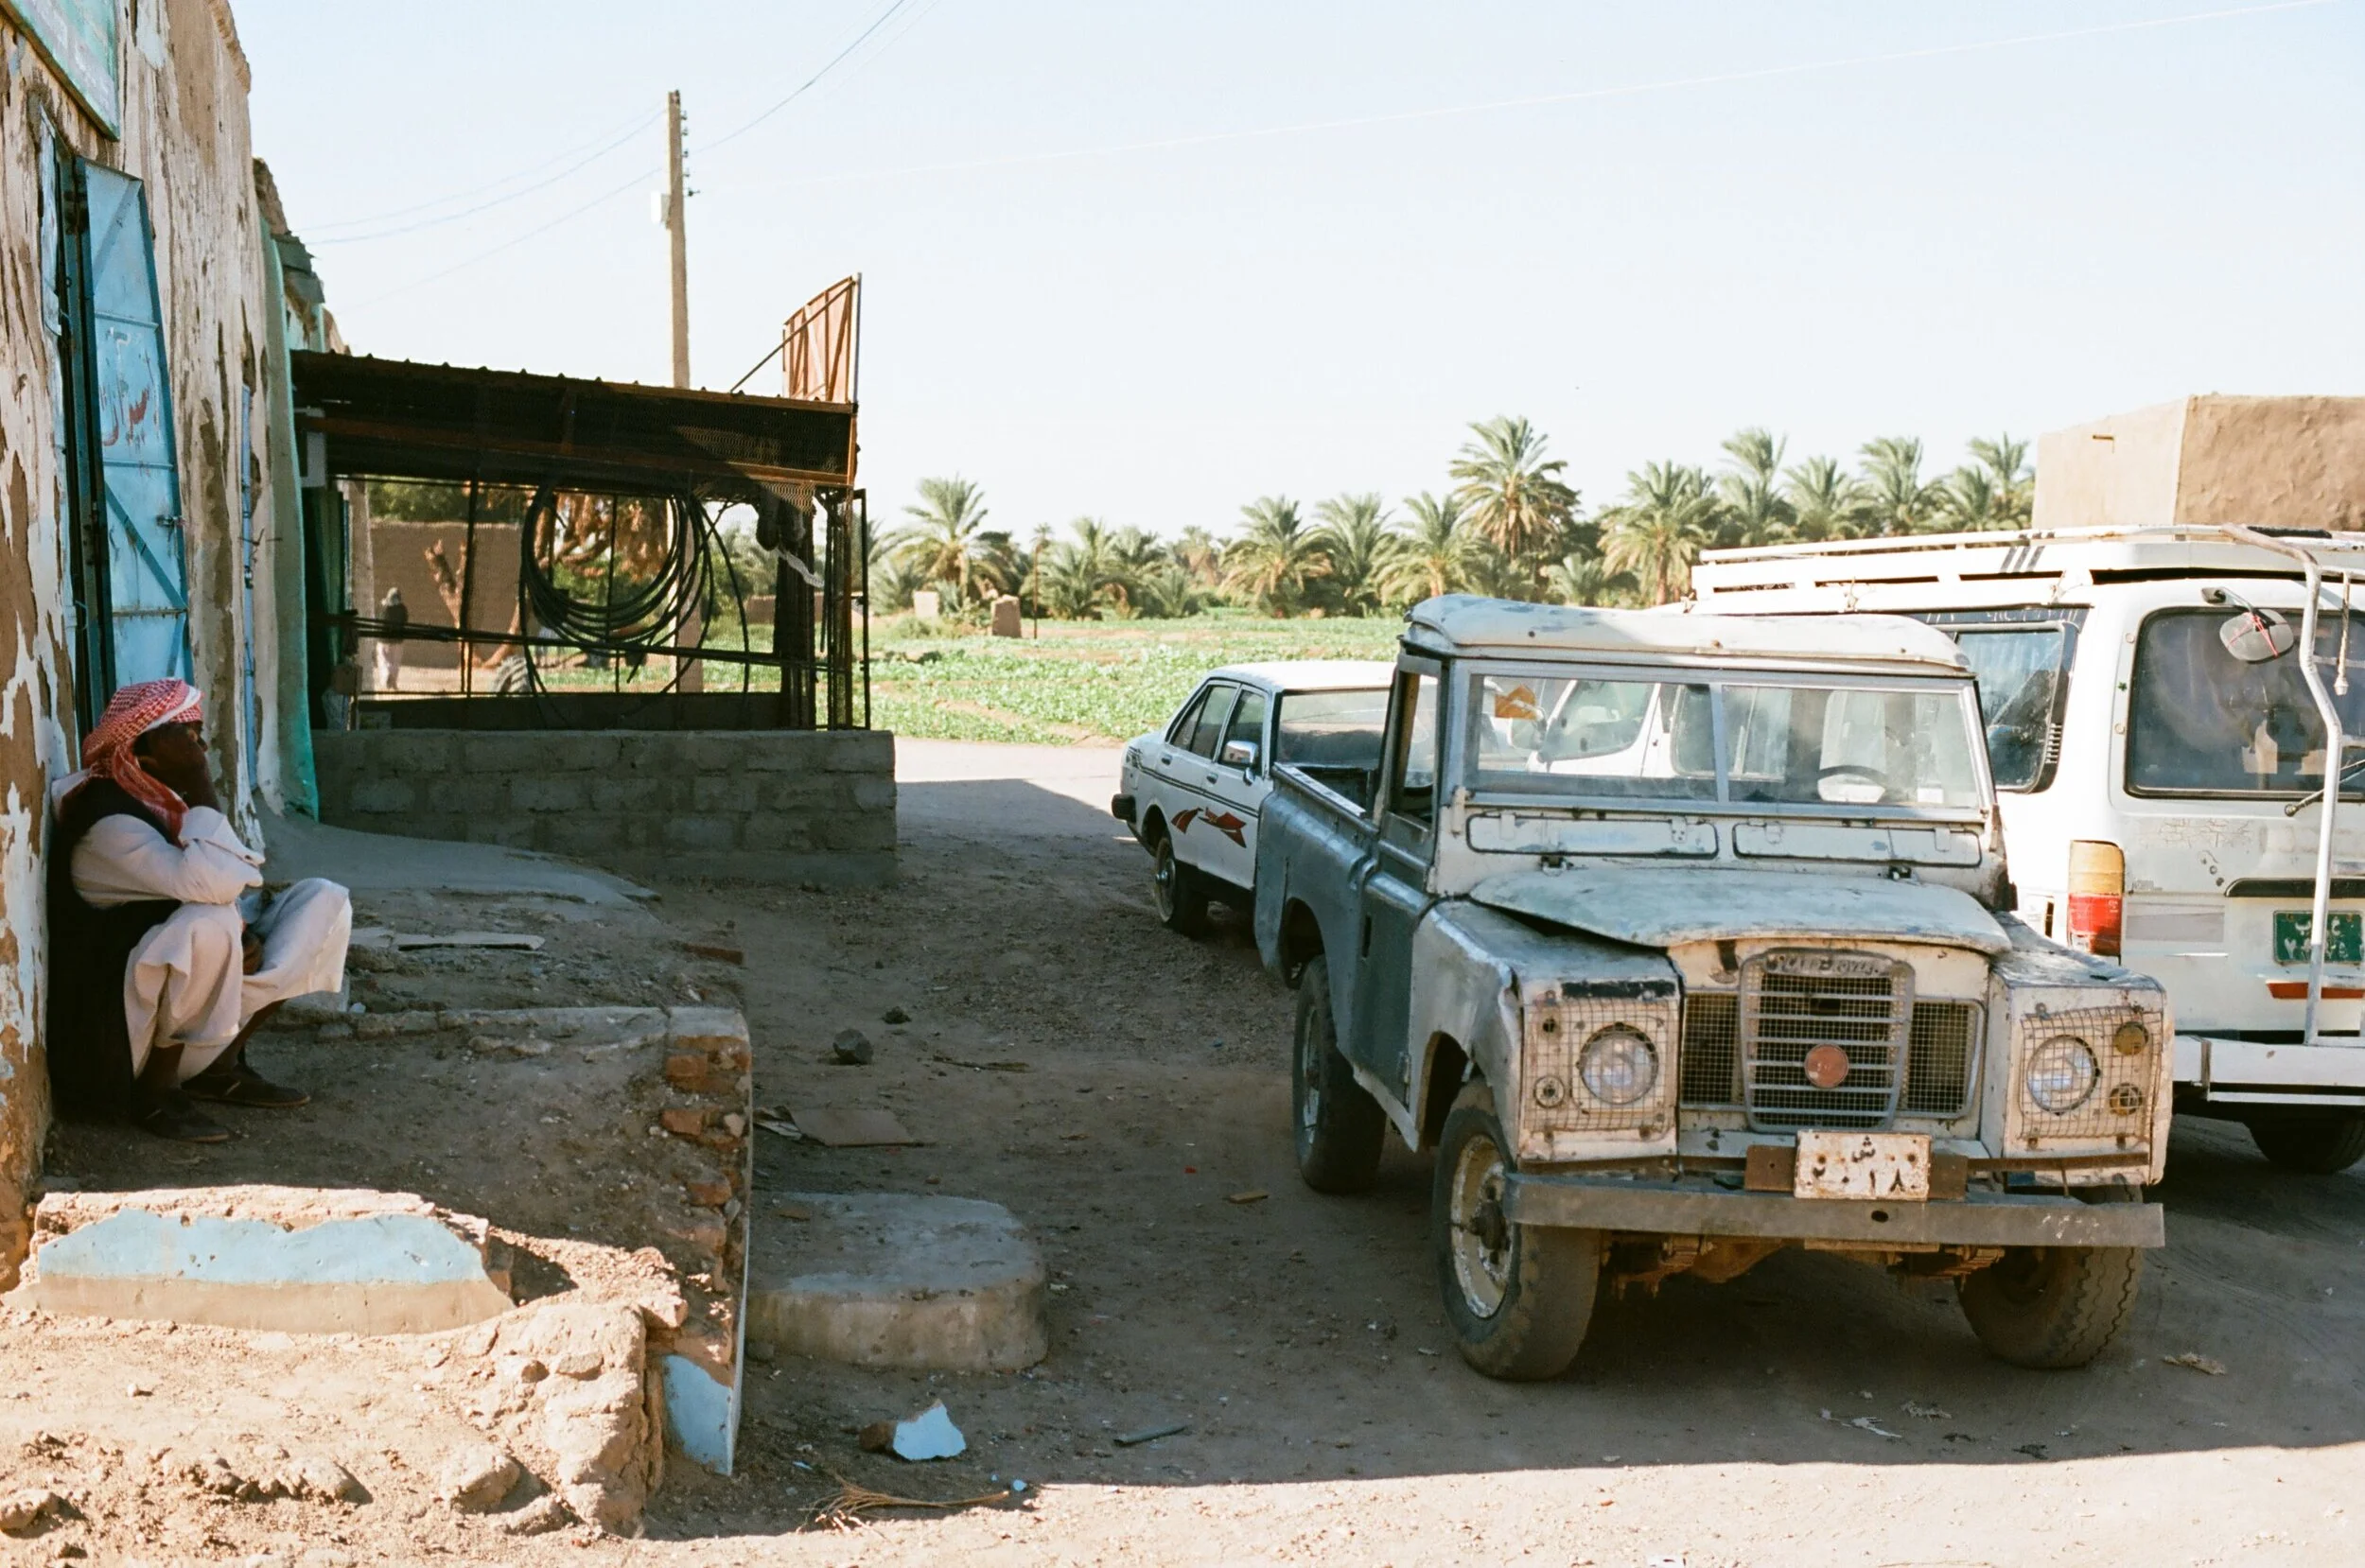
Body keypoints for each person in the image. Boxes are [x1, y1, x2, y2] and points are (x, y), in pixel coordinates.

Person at [46, 680, 352, 1142]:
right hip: (124, 1042)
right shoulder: (109, 824)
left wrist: (243, 928)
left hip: (194, 1026)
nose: (201, 747)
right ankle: (157, 1092)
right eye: (188, 736)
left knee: (323, 900)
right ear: (144, 751)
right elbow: (213, 882)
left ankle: (221, 1066)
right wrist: (199, 783)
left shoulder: (159, 805)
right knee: (209, 925)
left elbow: (232, 879)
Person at [375, 585, 409, 691]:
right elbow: (405, 621)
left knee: (383, 660)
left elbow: (377, 619)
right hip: (397, 640)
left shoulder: (383, 606)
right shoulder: (402, 608)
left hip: (382, 639)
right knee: (395, 662)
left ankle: (386, 679)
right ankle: (392, 682)